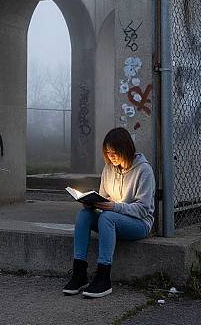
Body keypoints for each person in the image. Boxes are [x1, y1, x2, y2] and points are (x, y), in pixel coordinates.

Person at [62, 127, 155, 298]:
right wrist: (91, 204)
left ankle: (104, 277)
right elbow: (103, 198)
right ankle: (79, 273)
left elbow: (143, 209)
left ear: (126, 148)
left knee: (107, 217)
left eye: (114, 152)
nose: (111, 156)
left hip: (139, 224)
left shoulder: (144, 170)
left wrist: (115, 207)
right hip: (112, 217)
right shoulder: (108, 168)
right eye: (107, 152)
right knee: (84, 216)